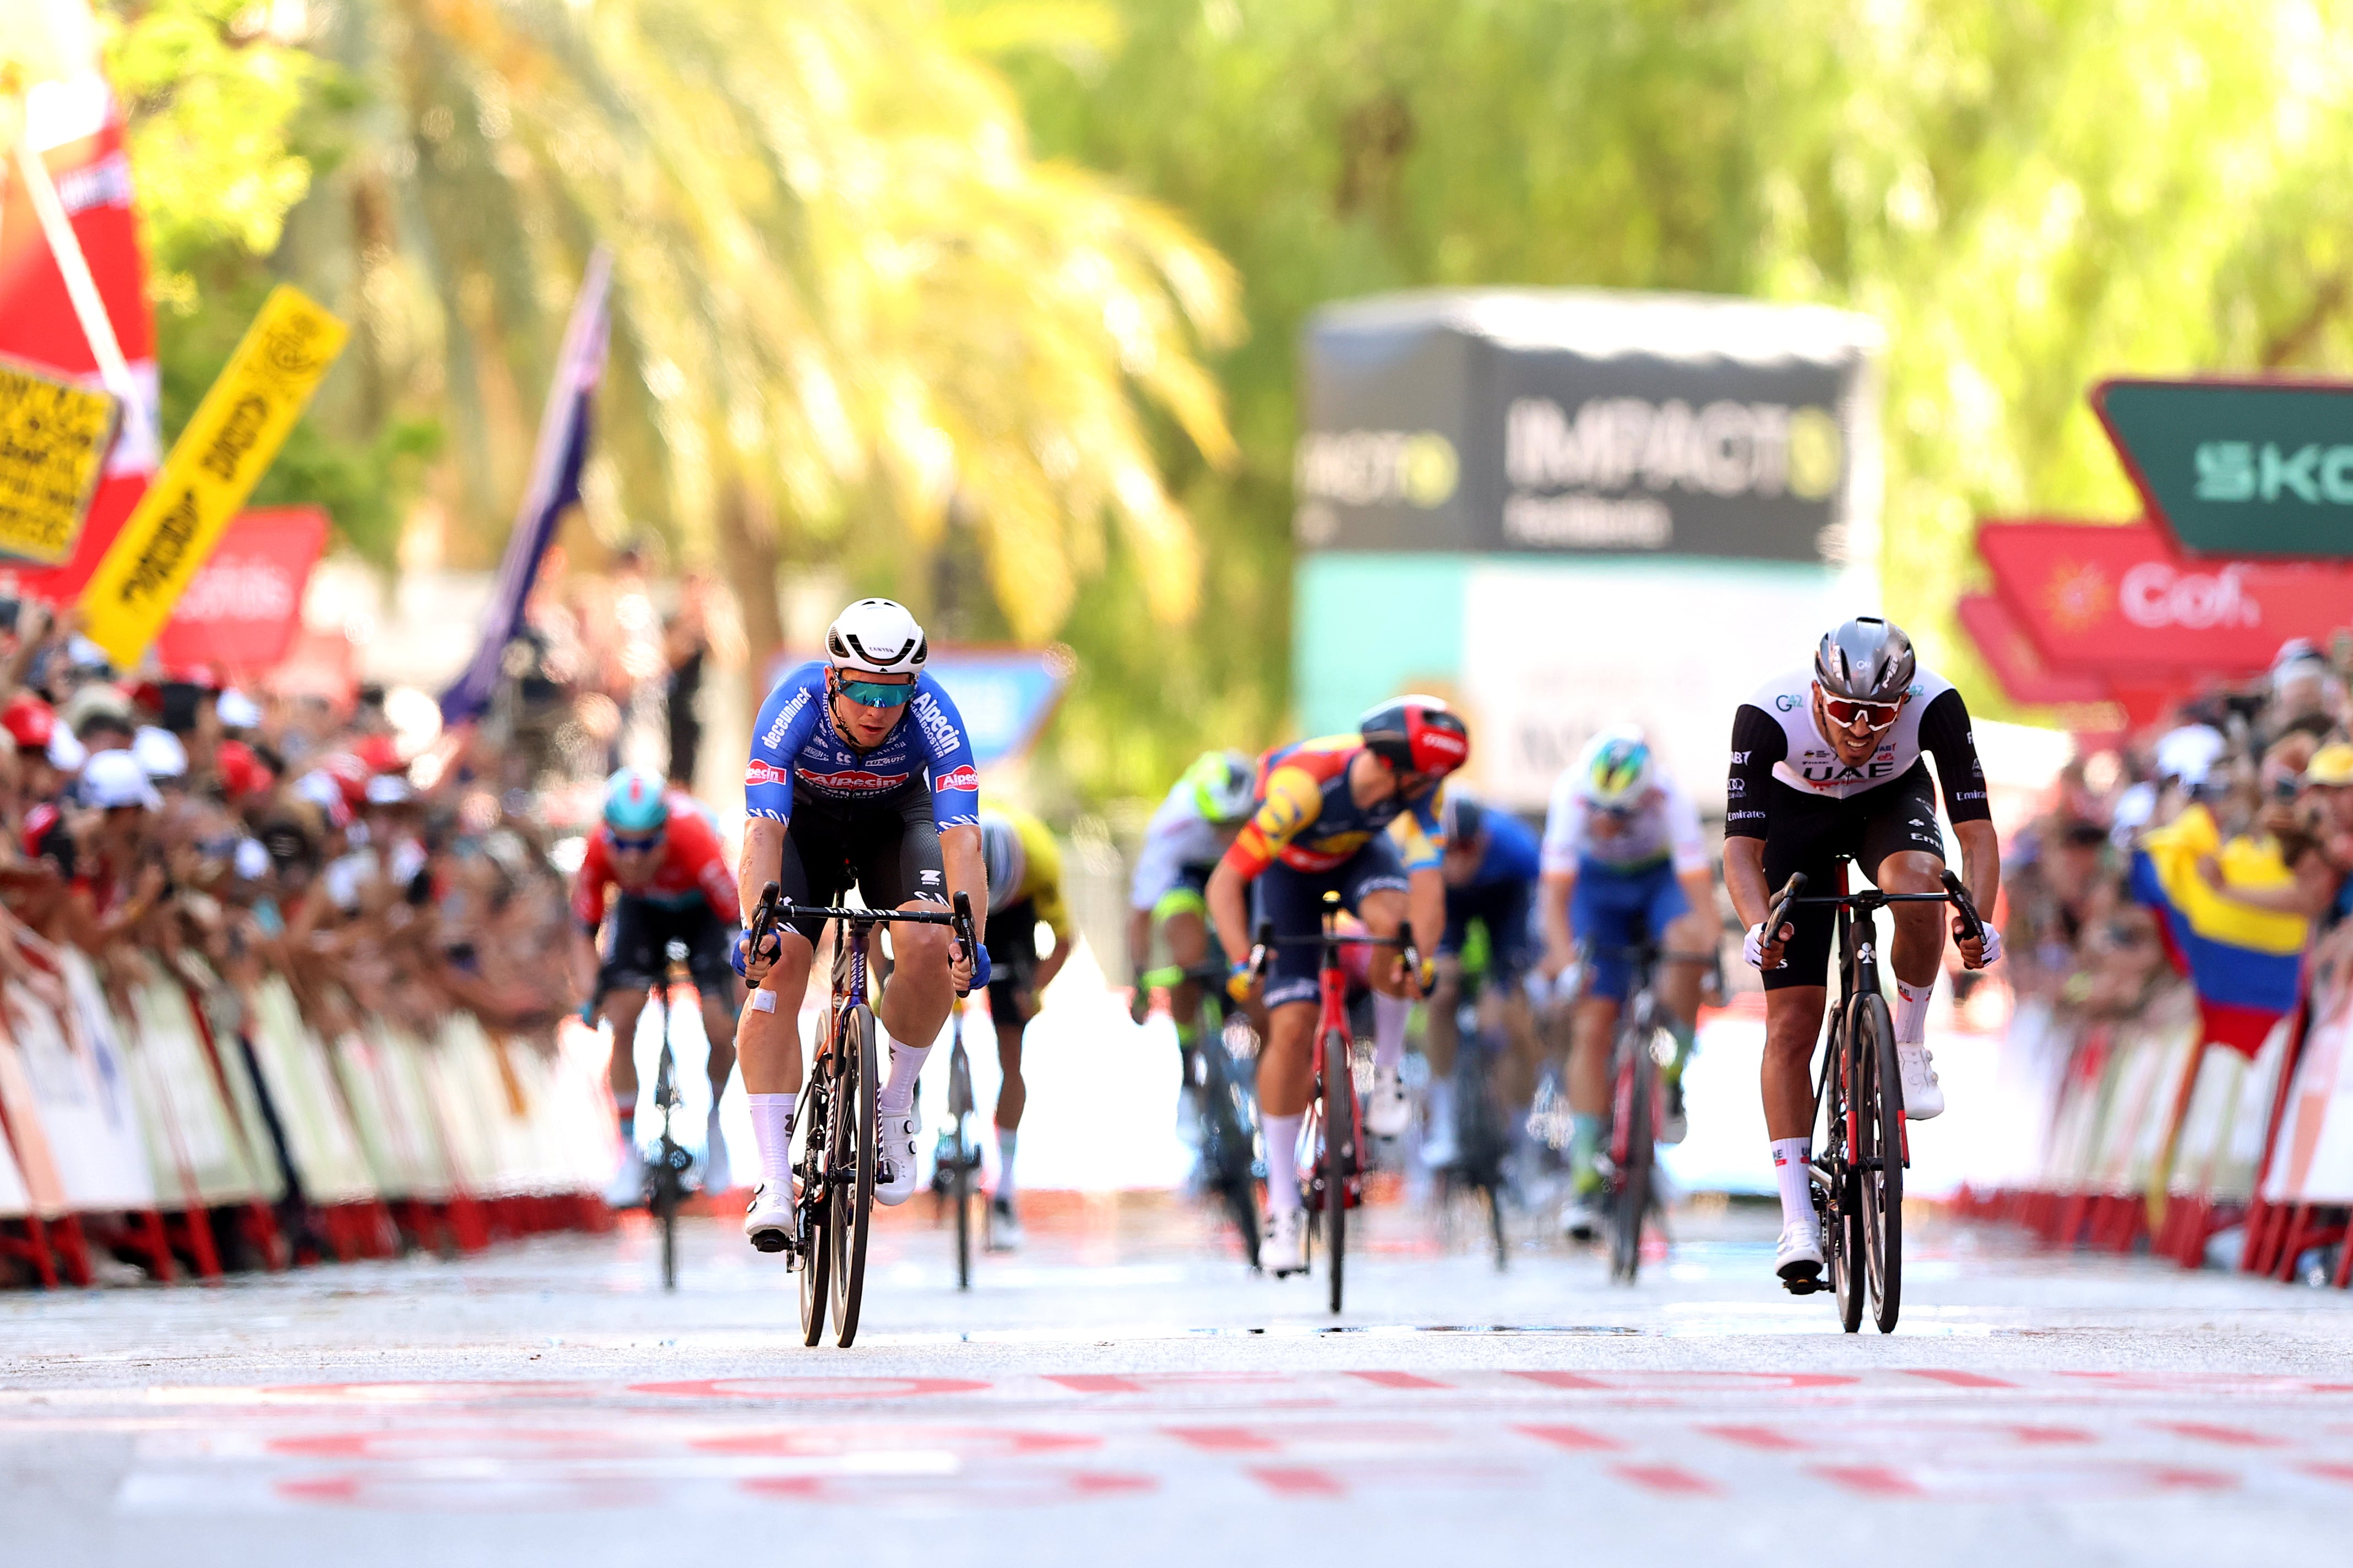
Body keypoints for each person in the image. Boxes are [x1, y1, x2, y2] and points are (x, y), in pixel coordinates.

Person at [1722, 617, 2000, 1288]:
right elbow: (1740, 850)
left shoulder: (1938, 704)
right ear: (1817, 694)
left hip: (1888, 801)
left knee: (1920, 887)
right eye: (1845, 711)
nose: (1858, 729)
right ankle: (1796, 1221)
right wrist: (1761, 926)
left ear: (1904, 703)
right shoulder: (1766, 715)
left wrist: (1978, 922)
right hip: (1794, 817)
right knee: (1791, 1023)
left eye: (1878, 716)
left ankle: (1906, 1042)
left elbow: (1979, 836)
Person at [733, 598, 985, 1253]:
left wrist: (972, 940)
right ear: (833, 680)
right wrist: (754, 926)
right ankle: (771, 1181)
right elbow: (763, 829)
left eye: (894, 692)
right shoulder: (792, 705)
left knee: (932, 939)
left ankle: (893, 1101)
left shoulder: (935, 714)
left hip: (895, 823)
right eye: (864, 691)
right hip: (805, 828)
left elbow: (963, 847)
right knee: (780, 958)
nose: (878, 708)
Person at [1208, 695, 1468, 1277]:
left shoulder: (1419, 786)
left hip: (1357, 858)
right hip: (1288, 876)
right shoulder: (1302, 789)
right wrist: (1237, 961)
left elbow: (1427, 887)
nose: (1435, 784)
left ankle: (1389, 1076)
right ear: (1396, 766)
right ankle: (1281, 1204)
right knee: (1293, 1025)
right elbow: (1225, 882)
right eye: (1429, 775)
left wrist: (1417, 958)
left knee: (1393, 930)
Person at [1537, 726, 1717, 1239]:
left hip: (1657, 879)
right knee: (1592, 1023)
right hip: (1595, 889)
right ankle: (1582, 1178)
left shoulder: (1669, 797)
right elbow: (1553, 900)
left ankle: (1673, 1069)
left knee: (1686, 944)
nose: (1605, 820)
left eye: (1620, 812)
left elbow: (1698, 893)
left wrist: (1704, 957)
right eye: (1598, 809)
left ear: (1645, 798)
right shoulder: (1571, 797)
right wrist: (1568, 963)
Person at [570, 766, 745, 1204]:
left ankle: (713, 1123)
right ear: (606, 833)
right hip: (641, 911)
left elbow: (737, 930)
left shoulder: (694, 839)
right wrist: (591, 996)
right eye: (621, 844)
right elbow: (582, 933)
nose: (631, 858)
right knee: (622, 1014)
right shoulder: (596, 850)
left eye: (645, 843)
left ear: (665, 832)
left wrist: (741, 999)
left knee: (722, 1025)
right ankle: (628, 1151)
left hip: (702, 911)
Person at [1124, 750, 1258, 1130]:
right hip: (1187, 877)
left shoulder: (1266, 811)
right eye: (1221, 824)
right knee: (1188, 957)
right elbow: (1141, 914)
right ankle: (1188, 1074)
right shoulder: (1174, 826)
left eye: (1239, 822)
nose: (1230, 834)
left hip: (1243, 871)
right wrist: (1139, 979)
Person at [1421, 786, 1544, 1169]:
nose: (1456, 864)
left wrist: (1514, 975)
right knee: (1440, 994)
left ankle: (1519, 1138)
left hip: (1505, 902)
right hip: (1447, 905)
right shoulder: (1421, 851)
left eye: (1466, 852)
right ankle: (1443, 1117)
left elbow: (1546, 904)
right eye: (1448, 853)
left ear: (1484, 841)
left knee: (1510, 1018)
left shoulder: (1516, 847)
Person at [975, 803, 1075, 1249]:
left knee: (1011, 1050)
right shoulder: (938, 843)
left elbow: (1063, 941)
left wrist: (1033, 989)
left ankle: (1005, 1188)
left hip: (1014, 916)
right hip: (957, 895)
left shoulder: (1041, 861)